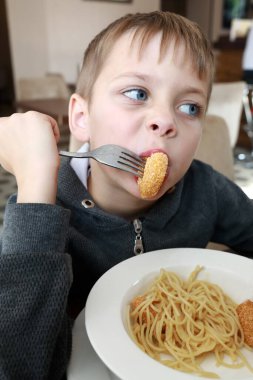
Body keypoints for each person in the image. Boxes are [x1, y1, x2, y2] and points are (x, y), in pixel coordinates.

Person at [0, 10, 252, 380]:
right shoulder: (40, 213)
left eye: (189, 107)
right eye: (137, 93)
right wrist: (37, 183)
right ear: (82, 118)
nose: (165, 121)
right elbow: (19, 368)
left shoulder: (207, 190)